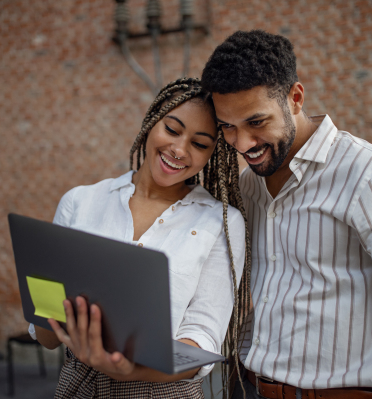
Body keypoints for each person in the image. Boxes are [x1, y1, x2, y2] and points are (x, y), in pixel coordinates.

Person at [200, 29, 372, 399]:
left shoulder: (370, 173)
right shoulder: (248, 187)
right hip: (248, 388)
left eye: (256, 122)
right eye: (228, 127)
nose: (242, 144)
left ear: (295, 99)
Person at [29, 78, 252, 399]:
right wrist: (52, 305)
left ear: (212, 154)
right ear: (151, 123)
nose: (179, 149)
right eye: (172, 130)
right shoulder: (80, 202)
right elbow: (47, 336)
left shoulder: (221, 223)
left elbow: (201, 336)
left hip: (163, 390)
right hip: (78, 383)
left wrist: (130, 370)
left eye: (200, 144)